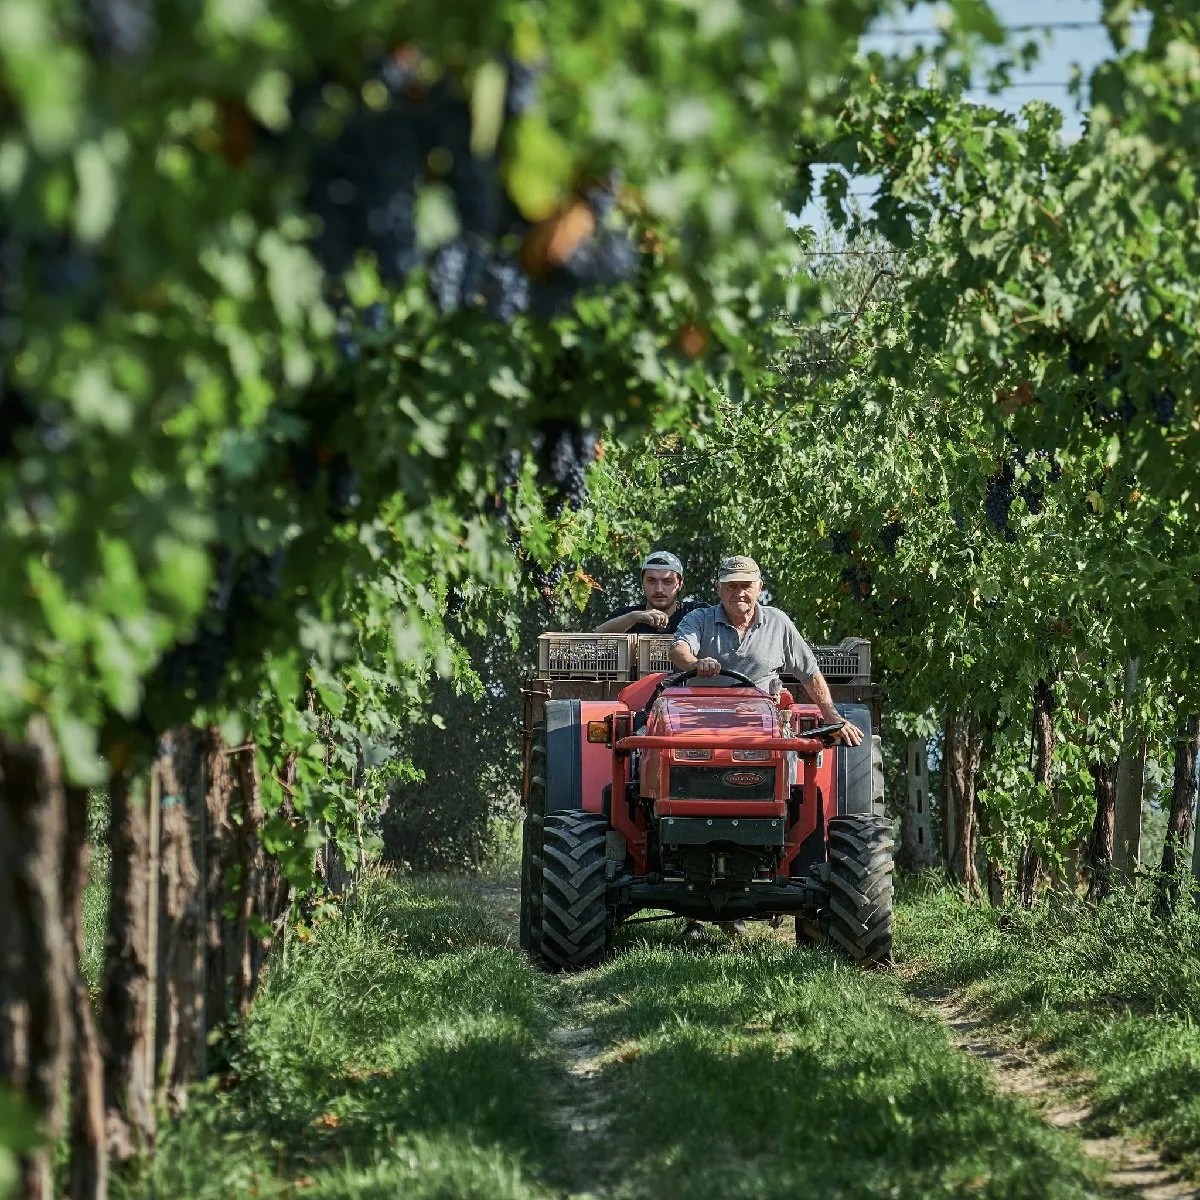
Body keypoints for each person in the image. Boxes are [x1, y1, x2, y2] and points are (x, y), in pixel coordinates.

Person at [670, 555, 864, 747]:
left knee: (789, 747)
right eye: (731, 586)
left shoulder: (778, 623)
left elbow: (809, 672)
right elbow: (679, 650)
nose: (738, 593)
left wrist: (832, 717)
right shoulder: (699, 619)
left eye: (746, 585)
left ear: (760, 588)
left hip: (762, 724)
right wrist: (696, 664)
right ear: (718, 588)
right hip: (702, 722)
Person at [594, 550, 703, 634]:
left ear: (680, 584)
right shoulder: (627, 616)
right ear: (642, 583)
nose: (659, 589)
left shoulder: (696, 613)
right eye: (651, 581)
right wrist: (633, 618)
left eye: (667, 582)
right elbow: (595, 637)